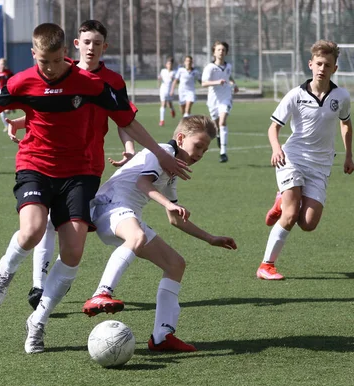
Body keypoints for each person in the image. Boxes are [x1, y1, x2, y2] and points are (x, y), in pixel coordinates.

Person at [0, 23, 189, 355]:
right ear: (33, 54)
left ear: (65, 54)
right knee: (33, 231)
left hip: (80, 174)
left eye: (55, 61)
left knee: (74, 251)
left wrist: (161, 155)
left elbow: (127, 120)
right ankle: (5, 271)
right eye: (43, 62)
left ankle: (37, 322)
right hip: (35, 165)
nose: (49, 69)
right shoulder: (21, 81)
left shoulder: (91, 84)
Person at [4, 20, 188, 311]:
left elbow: (123, 119)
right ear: (75, 45)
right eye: (86, 42)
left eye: (97, 43)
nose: (91, 48)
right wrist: (21, 120)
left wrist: (129, 148)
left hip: (86, 165)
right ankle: (38, 285)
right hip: (51, 162)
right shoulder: (57, 72)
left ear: (105, 46)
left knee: (59, 224)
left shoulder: (111, 82)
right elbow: (47, 110)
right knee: (44, 221)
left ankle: (45, 289)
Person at [83, 115, 237, 352]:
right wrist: (168, 203)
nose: (199, 154)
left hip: (126, 214)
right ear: (180, 138)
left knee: (175, 264)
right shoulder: (164, 151)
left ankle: (162, 335)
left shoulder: (173, 169)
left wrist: (210, 238)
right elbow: (143, 184)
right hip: (109, 207)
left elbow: (175, 220)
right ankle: (101, 293)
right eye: (198, 146)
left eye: (205, 151)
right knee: (137, 236)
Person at [257, 40, 352, 280]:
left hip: (320, 165)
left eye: (327, 64)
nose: (322, 68)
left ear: (335, 68)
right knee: (290, 216)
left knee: (308, 223)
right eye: (318, 63)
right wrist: (276, 148)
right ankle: (266, 266)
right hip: (293, 158)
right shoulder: (295, 95)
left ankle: (280, 200)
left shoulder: (341, 96)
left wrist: (349, 155)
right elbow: (273, 128)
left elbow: (346, 124)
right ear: (311, 64)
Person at [201, 41, 238, 163]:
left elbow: (229, 77)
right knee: (216, 125)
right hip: (213, 100)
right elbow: (203, 83)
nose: (221, 52)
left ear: (226, 52)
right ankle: (218, 135)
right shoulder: (210, 68)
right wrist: (217, 82)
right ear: (214, 52)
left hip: (226, 98)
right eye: (218, 50)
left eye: (223, 50)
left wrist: (234, 84)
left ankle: (223, 152)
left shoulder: (228, 66)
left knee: (222, 122)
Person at [0, 58, 15, 132]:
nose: (2, 65)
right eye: (1, 64)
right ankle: (7, 126)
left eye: (4, 64)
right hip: (1, 93)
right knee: (2, 112)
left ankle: (10, 108)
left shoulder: (8, 72)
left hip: (9, 92)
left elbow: (13, 79)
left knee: (6, 110)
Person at [158, 57, 176, 126]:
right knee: (163, 104)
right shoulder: (163, 71)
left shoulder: (174, 72)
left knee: (169, 104)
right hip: (163, 90)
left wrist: (172, 90)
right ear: (166, 65)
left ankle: (172, 110)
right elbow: (160, 78)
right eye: (168, 64)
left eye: (171, 64)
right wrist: (159, 80)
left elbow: (175, 82)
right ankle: (162, 120)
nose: (169, 65)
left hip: (170, 90)